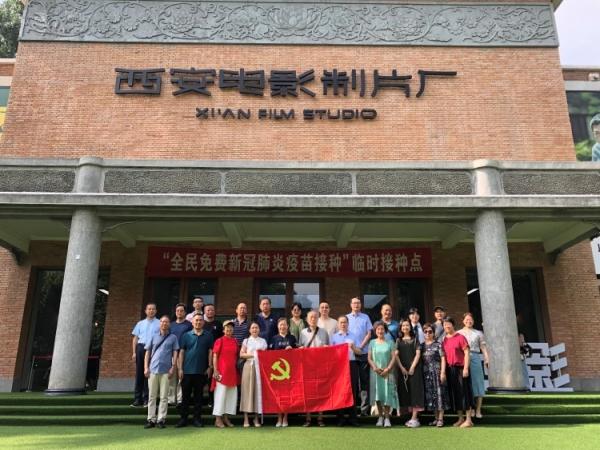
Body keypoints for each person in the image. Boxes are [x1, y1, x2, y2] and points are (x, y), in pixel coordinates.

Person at [176, 313, 213, 428]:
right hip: (186, 371)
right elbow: (181, 352)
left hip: (201, 372)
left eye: (200, 320)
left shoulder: (208, 335)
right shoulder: (186, 335)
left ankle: (197, 419)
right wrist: (180, 368)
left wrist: (210, 366)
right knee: (185, 398)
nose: (198, 322)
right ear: (192, 322)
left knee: (198, 398)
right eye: (196, 320)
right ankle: (183, 419)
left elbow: (210, 352)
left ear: (203, 322)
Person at [144, 315, 179, 429]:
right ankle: (151, 419)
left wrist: (173, 367)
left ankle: (161, 419)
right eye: (162, 322)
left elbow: (175, 353)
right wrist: (146, 367)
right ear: (160, 324)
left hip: (166, 370)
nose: (164, 323)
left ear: (169, 324)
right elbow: (148, 353)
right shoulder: (153, 336)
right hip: (153, 369)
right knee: (152, 396)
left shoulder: (173, 337)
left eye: (166, 322)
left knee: (164, 397)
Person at [441, 317, 474, 428]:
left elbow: (467, 353)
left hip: (461, 368)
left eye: (448, 324)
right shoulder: (444, 340)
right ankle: (460, 418)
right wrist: (443, 372)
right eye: (444, 325)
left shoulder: (460, 337)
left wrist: (466, 368)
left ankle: (468, 420)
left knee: (465, 393)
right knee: (455, 394)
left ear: (453, 324)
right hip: (450, 369)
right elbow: (444, 357)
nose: (446, 326)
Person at [299, 310, 329, 426]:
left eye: (315, 317)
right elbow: (300, 348)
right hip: (307, 366)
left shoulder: (324, 332)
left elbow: (328, 348)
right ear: (307, 319)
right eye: (311, 317)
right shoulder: (302, 333)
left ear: (318, 319)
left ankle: (320, 418)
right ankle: (308, 418)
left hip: (320, 366)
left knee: (321, 391)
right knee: (308, 393)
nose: (313, 319)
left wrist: (326, 347)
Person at [330, 315, 361, 427]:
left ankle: (353, 419)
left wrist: (353, 347)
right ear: (338, 324)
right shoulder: (333, 337)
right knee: (340, 391)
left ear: (348, 324)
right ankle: (340, 418)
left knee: (352, 390)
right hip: (339, 366)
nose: (343, 324)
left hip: (351, 364)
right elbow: (330, 353)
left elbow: (359, 352)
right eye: (341, 322)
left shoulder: (353, 336)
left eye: (345, 322)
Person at [458, 312, 489, 419]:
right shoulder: (459, 333)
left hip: (475, 357)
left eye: (470, 319)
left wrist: (486, 358)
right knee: (467, 384)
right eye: (466, 319)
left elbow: (483, 347)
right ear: (463, 321)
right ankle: (470, 409)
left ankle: (478, 409)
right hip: (462, 359)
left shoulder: (478, 333)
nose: (469, 321)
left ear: (473, 321)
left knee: (478, 383)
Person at [368, 321, 399, 428]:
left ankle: (387, 418)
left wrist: (388, 369)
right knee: (378, 395)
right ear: (375, 331)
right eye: (378, 329)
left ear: (385, 330)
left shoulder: (390, 342)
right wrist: (375, 368)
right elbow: (369, 358)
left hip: (388, 372)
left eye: (382, 329)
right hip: (375, 372)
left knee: (387, 394)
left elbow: (393, 357)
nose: (380, 331)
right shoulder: (372, 342)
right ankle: (380, 417)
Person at [346, 297, 373, 416]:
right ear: (350, 305)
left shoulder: (365, 317)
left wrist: (360, 347)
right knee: (351, 382)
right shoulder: (346, 318)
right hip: (350, 354)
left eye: (358, 303)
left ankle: (364, 410)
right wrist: (352, 348)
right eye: (354, 303)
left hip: (363, 352)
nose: (356, 305)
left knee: (364, 381)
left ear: (360, 305)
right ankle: (352, 409)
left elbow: (369, 333)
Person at [396, 319, 425, 428]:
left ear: (410, 327)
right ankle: (410, 417)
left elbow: (418, 354)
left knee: (415, 392)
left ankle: (414, 418)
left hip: (414, 370)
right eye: (403, 325)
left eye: (407, 325)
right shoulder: (398, 340)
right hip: (403, 370)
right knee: (406, 392)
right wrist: (401, 368)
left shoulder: (415, 339)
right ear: (401, 328)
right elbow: (396, 355)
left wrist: (412, 367)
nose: (405, 327)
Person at [268, 317, 297, 428]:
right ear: (278, 326)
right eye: (280, 325)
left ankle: (285, 417)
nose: (282, 327)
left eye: (284, 324)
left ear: (287, 326)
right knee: (278, 395)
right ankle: (279, 417)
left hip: (289, 371)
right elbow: (269, 354)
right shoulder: (274, 338)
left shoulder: (292, 338)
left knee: (287, 395)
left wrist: (292, 350)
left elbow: (297, 353)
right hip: (277, 373)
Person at [131, 303, 160, 407]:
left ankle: (146, 399)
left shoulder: (159, 323)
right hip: (140, 348)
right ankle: (137, 399)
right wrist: (134, 353)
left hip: (153, 350)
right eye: (149, 309)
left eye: (153, 309)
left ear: (156, 311)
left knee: (149, 374)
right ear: (146, 311)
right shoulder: (140, 323)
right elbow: (135, 339)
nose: (151, 311)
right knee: (139, 373)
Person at [240, 322, 268, 427]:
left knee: (258, 391)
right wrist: (254, 354)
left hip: (259, 368)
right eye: (252, 328)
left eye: (256, 327)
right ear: (249, 330)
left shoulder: (263, 341)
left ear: (259, 329)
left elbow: (265, 355)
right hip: (248, 366)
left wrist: (258, 355)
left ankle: (256, 418)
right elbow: (241, 354)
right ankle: (246, 418)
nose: (254, 329)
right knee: (246, 391)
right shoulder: (246, 341)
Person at [211, 320, 239, 428]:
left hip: (232, 373)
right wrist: (215, 370)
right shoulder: (220, 340)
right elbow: (215, 356)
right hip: (221, 372)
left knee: (230, 397)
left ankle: (226, 418)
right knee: (220, 396)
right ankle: (218, 419)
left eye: (231, 327)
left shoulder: (235, 341)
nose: (229, 329)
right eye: (227, 327)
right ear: (223, 330)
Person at [421, 322, 449, 427]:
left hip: (437, 373)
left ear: (433, 333)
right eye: (425, 332)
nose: (428, 333)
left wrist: (443, 372)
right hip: (426, 374)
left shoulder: (438, 345)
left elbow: (443, 358)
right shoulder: (421, 346)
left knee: (439, 395)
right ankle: (436, 418)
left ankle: (441, 419)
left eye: (430, 331)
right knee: (431, 396)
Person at [168, 303, 192, 406]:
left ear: (185, 312)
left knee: (181, 376)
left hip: (184, 353)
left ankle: (180, 399)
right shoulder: (171, 325)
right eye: (177, 310)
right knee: (172, 376)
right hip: (172, 353)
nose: (179, 312)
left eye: (181, 311)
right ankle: (171, 399)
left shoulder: (189, 325)